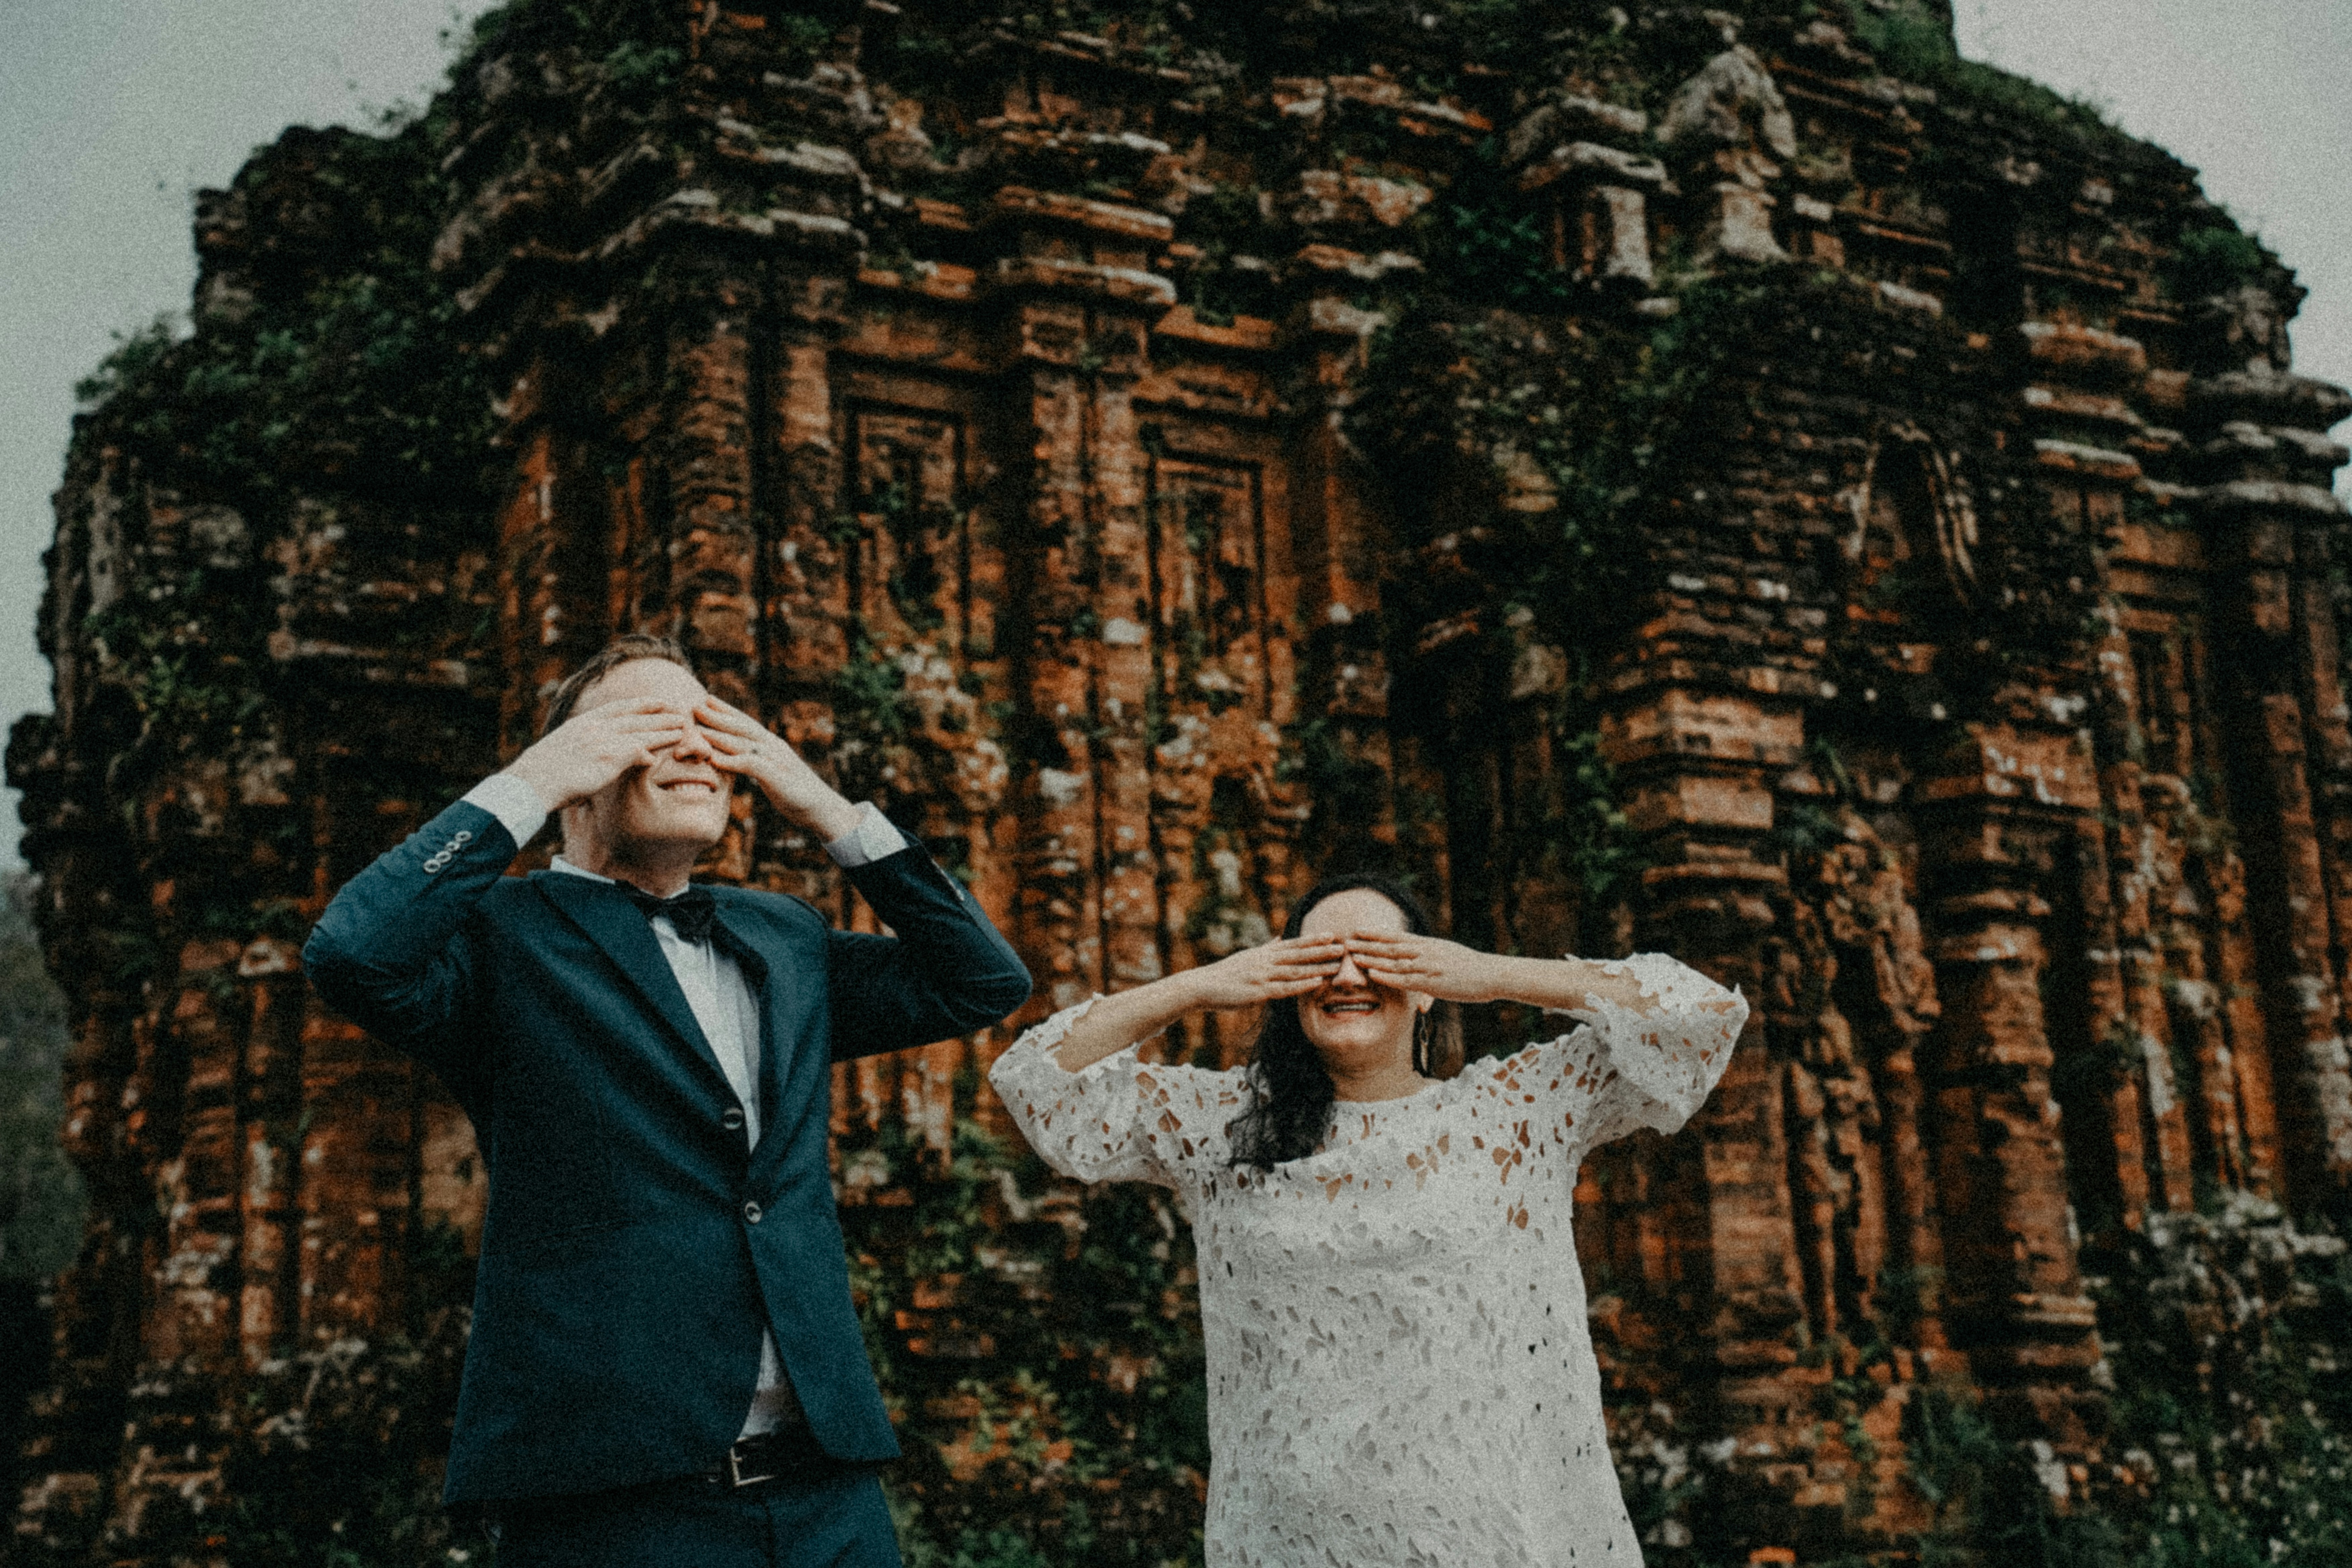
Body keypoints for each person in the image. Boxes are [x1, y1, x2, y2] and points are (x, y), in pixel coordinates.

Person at [303, 633, 1031, 1568]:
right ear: (578, 769)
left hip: (831, 1496)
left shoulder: (783, 933)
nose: (695, 747)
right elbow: (351, 954)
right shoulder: (498, 940)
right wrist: (528, 782)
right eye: (649, 726)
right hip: (616, 1503)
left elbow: (983, 982)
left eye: (710, 726)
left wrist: (825, 808)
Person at [989, 873, 1747, 1567]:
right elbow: (1036, 1080)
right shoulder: (1220, 1127)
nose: (1349, 975)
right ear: (1283, 982)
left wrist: (1488, 973)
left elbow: (1704, 1016)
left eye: (1381, 955)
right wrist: (1206, 984)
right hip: (1290, 1540)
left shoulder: (1518, 1110)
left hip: (1498, 1535)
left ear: (1425, 984)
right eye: (1319, 957)